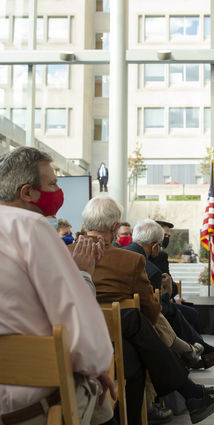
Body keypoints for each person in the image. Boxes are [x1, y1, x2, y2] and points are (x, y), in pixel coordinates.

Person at [77, 197, 214, 424]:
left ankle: (193, 391)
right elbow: (152, 311)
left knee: (136, 339)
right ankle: (191, 390)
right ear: (115, 228)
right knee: (139, 336)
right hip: (114, 344)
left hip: (76, 339)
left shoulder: (63, 253)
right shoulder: (129, 260)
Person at [0, 146, 116, 425]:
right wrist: (95, 366)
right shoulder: (30, 227)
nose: (58, 191)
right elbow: (82, 333)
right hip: (32, 407)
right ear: (27, 192)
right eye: (52, 184)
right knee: (99, 395)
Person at [126, 218, 214, 370]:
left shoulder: (121, 255)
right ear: (154, 246)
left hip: (120, 317)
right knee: (171, 311)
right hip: (139, 323)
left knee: (179, 311)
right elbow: (158, 310)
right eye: (160, 245)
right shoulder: (150, 270)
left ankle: (200, 352)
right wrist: (168, 292)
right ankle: (197, 353)